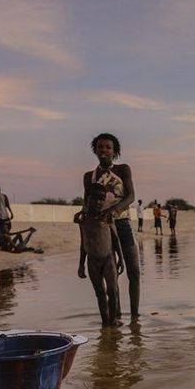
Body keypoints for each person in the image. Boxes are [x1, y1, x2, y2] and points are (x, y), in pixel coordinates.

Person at [82, 133, 141, 319]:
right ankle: (114, 318)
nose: (104, 150)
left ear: (115, 151)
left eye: (108, 147)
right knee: (110, 277)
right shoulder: (89, 176)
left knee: (134, 272)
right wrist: (82, 212)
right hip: (100, 230)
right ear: (95, 150)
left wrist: (113, 211)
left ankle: (134, 319)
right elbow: (87, 202)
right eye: (100, 147)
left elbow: (130, 196)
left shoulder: (123, 169)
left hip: (121, 224)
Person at [78, 184, 123, 326]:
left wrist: (121, 259)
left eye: (101, 199)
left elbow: (115, 239)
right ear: (88, 199)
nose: (98, 202)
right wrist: (81, 265)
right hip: (92, 262)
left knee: (112, 291)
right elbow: (83, 243)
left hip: (108, 259)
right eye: (94, 199)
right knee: (100, 293)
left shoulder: (107, 217)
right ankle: (105, 322)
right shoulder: (83, 220)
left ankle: (113, 320)